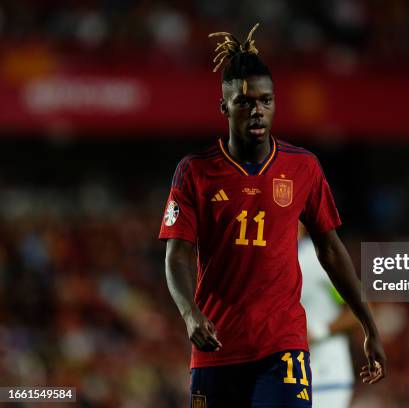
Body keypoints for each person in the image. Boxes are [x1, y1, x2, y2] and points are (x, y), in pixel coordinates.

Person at [159, 23, 386, 408]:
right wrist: (190, 314)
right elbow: (177, 253)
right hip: (218, 345)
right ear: (224, 107)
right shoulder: (195, 171)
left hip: (283, 346)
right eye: (245, 102)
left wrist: (368, 326)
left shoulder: (303, 168)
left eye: (266, 101)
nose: (257, 111)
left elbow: (330, 249)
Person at [299, 225, 359, 408]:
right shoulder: (262, 259)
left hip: (325, 376)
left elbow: (361, 311)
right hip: (284, 375)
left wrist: (318, 331)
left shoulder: (320, 258)